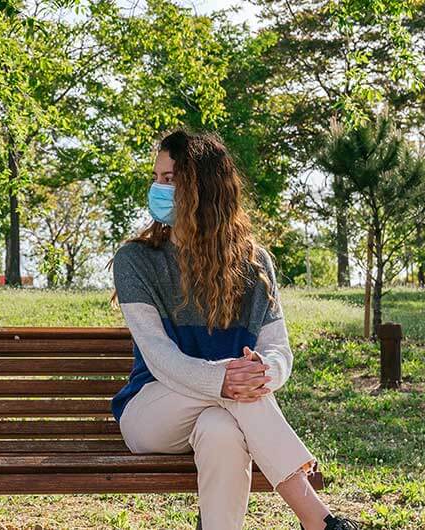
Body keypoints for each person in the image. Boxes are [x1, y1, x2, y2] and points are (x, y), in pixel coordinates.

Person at [110, 129, 359, 530]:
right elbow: (159, 356)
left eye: (170, 179)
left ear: (202, 187)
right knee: (236, 400)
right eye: (156, 178)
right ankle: (317, 518)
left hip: (227, 408)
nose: (158, 188)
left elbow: (278, 350)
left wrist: (264, 372)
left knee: (222, 431)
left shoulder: (254, 263)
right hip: (152, 411)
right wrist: (224, 379)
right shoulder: (137, 260)